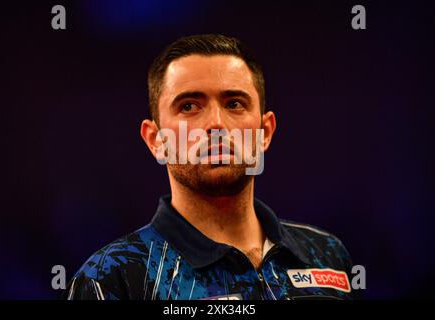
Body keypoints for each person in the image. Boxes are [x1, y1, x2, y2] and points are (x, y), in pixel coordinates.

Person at [63, 34, 355, 300]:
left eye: (234, 103)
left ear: (265, 131)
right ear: (156, 140)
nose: (216, 123)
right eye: (189, 106)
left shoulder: (327, 255)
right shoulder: (110, 277)